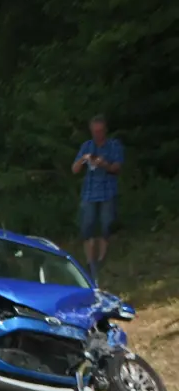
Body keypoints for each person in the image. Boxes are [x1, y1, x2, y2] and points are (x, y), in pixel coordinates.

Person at [71, 114, 123, 282]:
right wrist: (83, 159)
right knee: (87, 227)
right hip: (89, 193)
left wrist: (104, 164)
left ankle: (101, 260)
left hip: (107, 192)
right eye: (94, 131)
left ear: (105, 130)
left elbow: (117, 168)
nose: (97, 135)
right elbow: (74, 169)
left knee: (106, 225)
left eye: (100, 131)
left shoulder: (114, 145)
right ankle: (90, 263)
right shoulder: (87, 146)